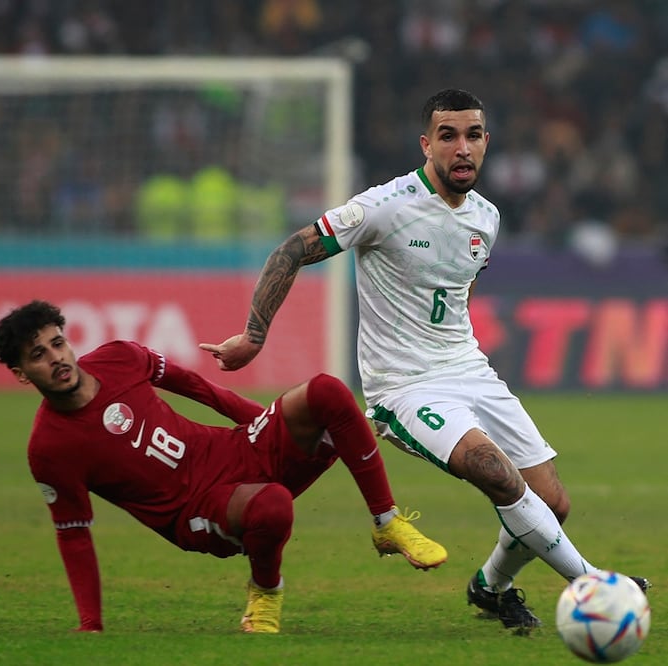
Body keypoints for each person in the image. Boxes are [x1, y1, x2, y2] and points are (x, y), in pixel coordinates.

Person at [201, 88, 651, 630]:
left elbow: (456, 291)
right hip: (404, 387)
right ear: (426, 144)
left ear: (486, 142)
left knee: (552, 504)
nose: (462, 148)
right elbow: (292, 250)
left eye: (473, 135)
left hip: (469, 370)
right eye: (448, 136)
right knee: (496, 473)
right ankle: (594, 583)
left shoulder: (486, 218)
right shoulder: (384, 206)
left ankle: (491, 587)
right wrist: (254, 334)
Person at [0, 300, 446, 634]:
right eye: (38, 355)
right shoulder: (49, 449)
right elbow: (73, 533)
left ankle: (387, 521)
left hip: (233, 450)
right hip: (195, 510)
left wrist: (261, 423)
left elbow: (194, 385)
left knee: (327, 391)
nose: (56, 358)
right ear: (20, 373)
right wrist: (91, 624)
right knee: (273, 504)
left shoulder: (119, 357)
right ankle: (266, 592)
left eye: (57, 343)